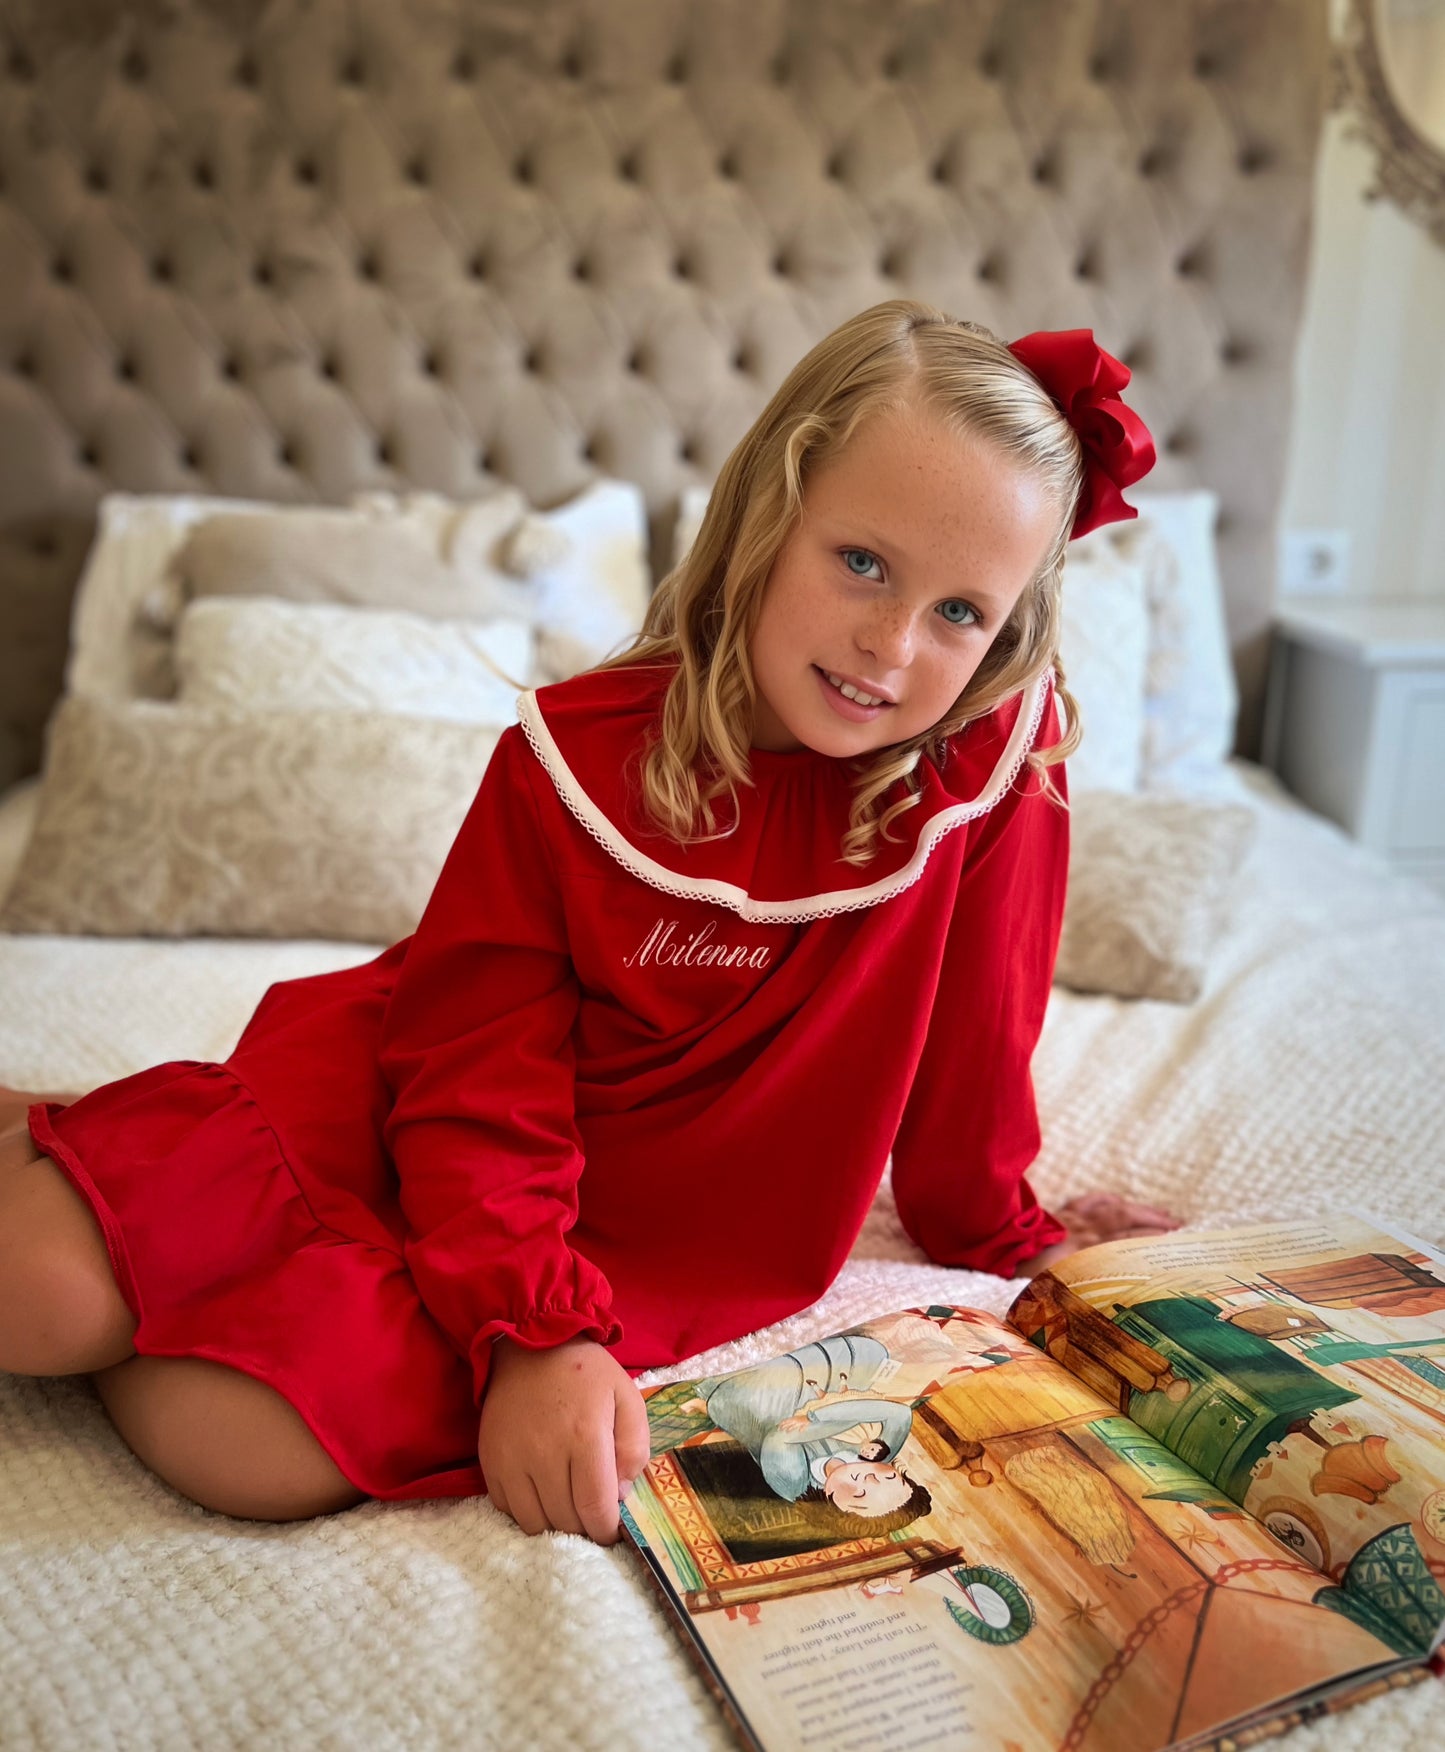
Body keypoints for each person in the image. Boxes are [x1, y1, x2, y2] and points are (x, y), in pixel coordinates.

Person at [0, 298, 1180, 1546]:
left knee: (241, 1452)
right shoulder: (574, 756)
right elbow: (473, 1058)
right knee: (32, 1289)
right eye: (862, 562)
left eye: (960, 614)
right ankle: (94, 1174)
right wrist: (530, 1325)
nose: (891, 645)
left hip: (639, 1227)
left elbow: (977, 1029)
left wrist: (1004, 1236)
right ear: (769, 517)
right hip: (437, 1110)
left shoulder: (991, 763)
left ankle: (87, 1164)